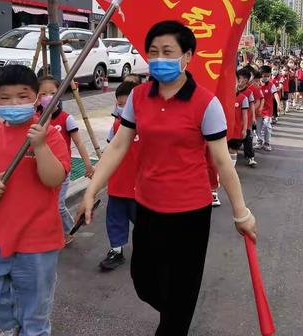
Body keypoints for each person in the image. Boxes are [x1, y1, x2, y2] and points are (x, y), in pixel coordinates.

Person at [77, 21, 256, 336]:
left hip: (190, 212)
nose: (159, 58)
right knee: (143, 281)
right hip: (147, 205)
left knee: (180, 298)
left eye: (168, 52)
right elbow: (119, 145)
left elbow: (222, 162)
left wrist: (241, 212)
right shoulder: (139, 96)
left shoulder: (205, 102)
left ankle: (175, 319)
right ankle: (173, 312)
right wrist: (92, 189)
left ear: (187, 56)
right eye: (153, 51)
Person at [0, 65, 71, 336]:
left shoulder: (49, 134)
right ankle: (13, 323)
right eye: (4, 97)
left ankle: (30, 327)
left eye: (22, 96)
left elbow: (54, 179)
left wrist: (39, 147)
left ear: (37, 97)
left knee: (35, 313)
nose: (13, 103)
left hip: (37, 238)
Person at [38, 76, 95, 246]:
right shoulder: (35, 118)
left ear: (60, 94)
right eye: (43, 94)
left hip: (62, 170)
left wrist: (87, 164)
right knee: (45, 203)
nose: (48, 97)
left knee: (58, 204)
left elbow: (78, 142)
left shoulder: (66, 119)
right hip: (41, 169)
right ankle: (49, 230)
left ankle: (69, 230)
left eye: (53, 93)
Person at [99, 80, 140, 271]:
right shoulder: (116, 126)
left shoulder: (148, 127)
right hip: (117, 184)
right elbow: (110, 150)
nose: (123, 108)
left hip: (141, 188)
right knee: (114, 219)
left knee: (144, 222)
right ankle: (116, 250)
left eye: (127, 104)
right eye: (120, 104)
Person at [255, 66, 280, 152]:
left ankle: (267, 143)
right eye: (264, 76)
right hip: (258, 110)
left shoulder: (271, 85)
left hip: (268, 110)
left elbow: (276, 94)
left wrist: (279, 104)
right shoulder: (256, 84)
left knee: (267, 126)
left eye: (267, 76)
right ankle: (259, 141)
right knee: (258, 127)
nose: (265, 78)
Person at [237, 69, 257, 167]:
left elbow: (252, 105)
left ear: (246, 80)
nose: (239, 80)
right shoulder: (232, 90)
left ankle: (250, 158)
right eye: (238, 78)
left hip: (245, 120)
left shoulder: (249, 93)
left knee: (247, 139)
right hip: (234, 119)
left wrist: (253, 117)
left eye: (240, 78)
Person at [228, 86, 249, 167]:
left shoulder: (243, 98)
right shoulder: (224, 96)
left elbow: (245, 115)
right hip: (225, 130)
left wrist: (244, 129)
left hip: (236, 130)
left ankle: (231, 169)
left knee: (232, 151)